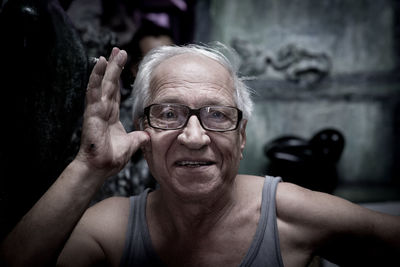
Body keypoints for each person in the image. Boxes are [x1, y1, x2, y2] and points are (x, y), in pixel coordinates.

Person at [1, 43, 399, 267]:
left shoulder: (290, 213)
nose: (194, 137)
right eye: (169, 114)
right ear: (144, 132)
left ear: (241, 138)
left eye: (217, 115)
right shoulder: (111, 231)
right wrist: (89, 165)